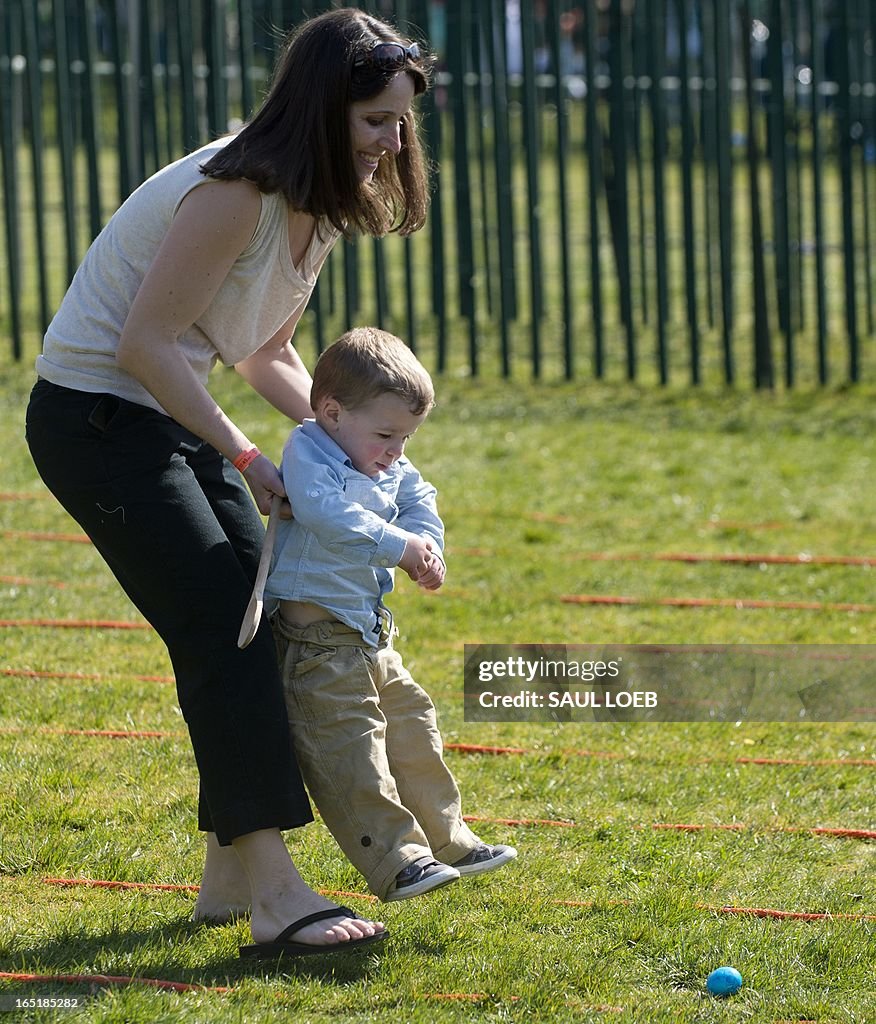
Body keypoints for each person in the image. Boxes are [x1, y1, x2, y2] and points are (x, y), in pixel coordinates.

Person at [25, 8, 433, 959]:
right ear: (322, 106)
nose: (393, 142)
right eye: (376, 119)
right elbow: (146, 345)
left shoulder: (320, 203)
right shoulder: (234, 194)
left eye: (403, 121)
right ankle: (278, 898)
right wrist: (251, 463)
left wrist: (354, 448)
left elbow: (265, 351)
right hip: (97, 423)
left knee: (268, 611)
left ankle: (228, 881)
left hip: (167, 413)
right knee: (225, 627)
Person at [264, 327, 518, 903]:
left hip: (370, 637)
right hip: (317, 647)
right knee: (352, 750)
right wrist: (396, 546)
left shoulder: (380, 455)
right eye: (386, 435)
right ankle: (396, 859)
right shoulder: (310, 452)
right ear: (331, 412)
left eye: (405, 437)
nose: (396, 451)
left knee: (413, 725)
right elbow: (324, 513)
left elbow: (418, 496)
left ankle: (447, 840)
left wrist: (427, 545)